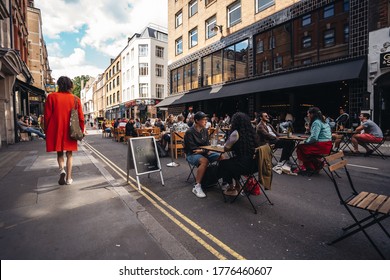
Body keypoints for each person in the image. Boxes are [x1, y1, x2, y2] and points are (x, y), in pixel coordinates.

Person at [45, 76, 85, 185]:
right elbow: (81, 118)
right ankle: (69, 178)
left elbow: (47, 116)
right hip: (70, 129)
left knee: (59, 153)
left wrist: (46, 130)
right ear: (70, 85)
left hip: (56, 129)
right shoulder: (76, 99)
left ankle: (61, 169)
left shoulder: (51, 97)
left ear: (58, 85)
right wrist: (82, 130)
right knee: (69, 154)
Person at [218, 112, 258, 196]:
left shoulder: (235, 133)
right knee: (232, 162)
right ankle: (238, 185)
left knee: (223, 163)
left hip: (243, 166)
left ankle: (231, 187)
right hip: (254, 165)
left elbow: (226, 148)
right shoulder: (251, 132)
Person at [184, 111, 220, 198]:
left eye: (206, 119)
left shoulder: (205, 130)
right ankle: (197, 186)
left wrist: (203, 150)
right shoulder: (189, 132)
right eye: (203, 120)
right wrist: (204, 150)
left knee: (222, 156)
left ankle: (225, 181)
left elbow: (207, 145)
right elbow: (193, 150)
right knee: (204, 161)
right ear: (196, 120)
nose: (206, 121)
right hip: (191, 155)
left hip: (204, 152)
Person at [295, 107, 332, 172]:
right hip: (328, 145)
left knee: (300, 147)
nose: (307, 115)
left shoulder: (316, 122)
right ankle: (315, 164)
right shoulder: (324, 122)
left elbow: (314, 138)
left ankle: (301, 167)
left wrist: (305, 141)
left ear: (312, 114)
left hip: (322, 146)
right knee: (306, 148)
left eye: (308, 113)